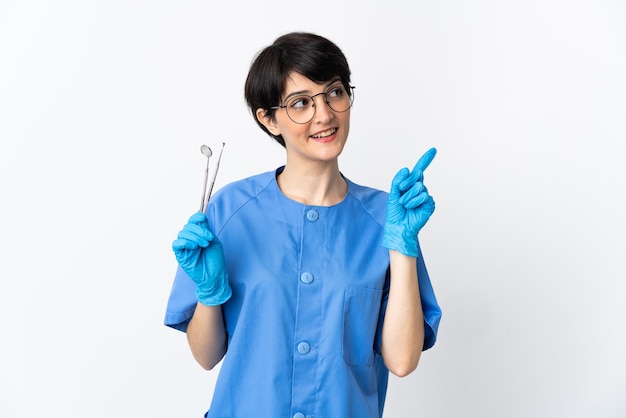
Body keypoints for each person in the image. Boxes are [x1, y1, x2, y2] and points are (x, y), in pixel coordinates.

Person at [164, 32, 441, 418]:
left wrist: (403, 248)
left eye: (335, 93)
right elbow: (206, 357)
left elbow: (402, 361)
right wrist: (210, 293)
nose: (324, 114)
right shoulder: (231, 210)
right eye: (300, 103)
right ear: (269, 119)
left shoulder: (387, 218)